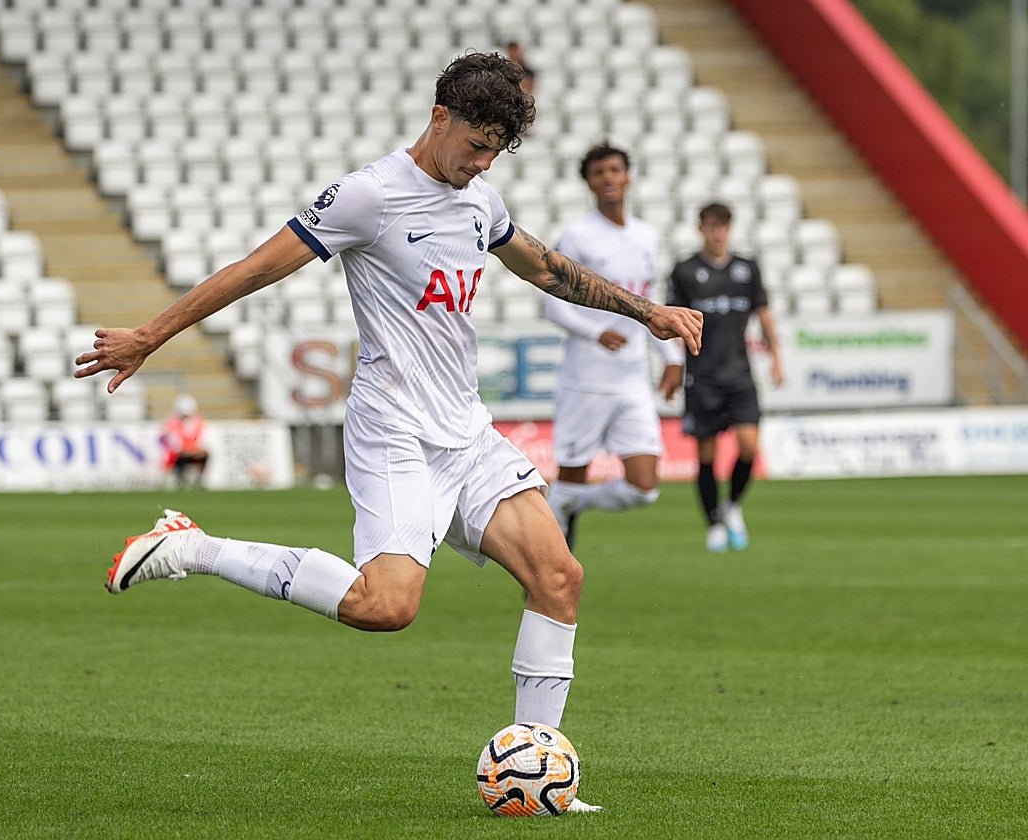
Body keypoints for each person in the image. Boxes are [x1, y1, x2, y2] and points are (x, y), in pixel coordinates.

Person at [75, 53, 702, 810]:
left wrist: (649, 314)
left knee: (559, 578)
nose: (479, 164)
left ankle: (539, 779)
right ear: (440, 118)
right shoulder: (368, 197)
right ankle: (194, 547)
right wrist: (152, 333)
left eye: (494, 152)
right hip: (394, 430)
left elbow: (545, 269)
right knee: (385, 607)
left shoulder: (482, 201)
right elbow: (254, 269)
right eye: (474, 145)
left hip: (465, 431)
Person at [544, 144, 685, 548]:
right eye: (598, 172)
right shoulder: (577, 235)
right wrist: (595, 332)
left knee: (644, 487)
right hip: (585, 379)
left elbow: (648, 302)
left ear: (627, 176)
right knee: (571, 473)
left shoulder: (647, 236)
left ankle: (570, 505)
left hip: (631, 380)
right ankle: (548, 573)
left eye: (614, 170)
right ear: (588, 182)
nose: (608, 177)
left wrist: (671, 357)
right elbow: (550, 304)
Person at [667, 202, 782, 553]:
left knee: (749, 445)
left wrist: (776, 356)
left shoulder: (747, 268)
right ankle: (713, 523)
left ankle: (731, 506)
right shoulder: (685, 271)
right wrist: (672, 365)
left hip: (739, 375)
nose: (716, 232)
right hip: (702, 376)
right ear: (701, 229)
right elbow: (672, 322)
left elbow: (763, 312)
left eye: (722, 226)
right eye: (710, 226)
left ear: (729, 229)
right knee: (706, 454)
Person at [162, 393, 209, 488]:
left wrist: (195, 451)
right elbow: (174, 444)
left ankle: (199, 480)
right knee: (180, 458)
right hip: (179, 455)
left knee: (204, 455)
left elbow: (204, 440)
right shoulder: (171, 423)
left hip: (193, 453)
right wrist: (185, 451)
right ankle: (180, 480)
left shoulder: (199, 422)